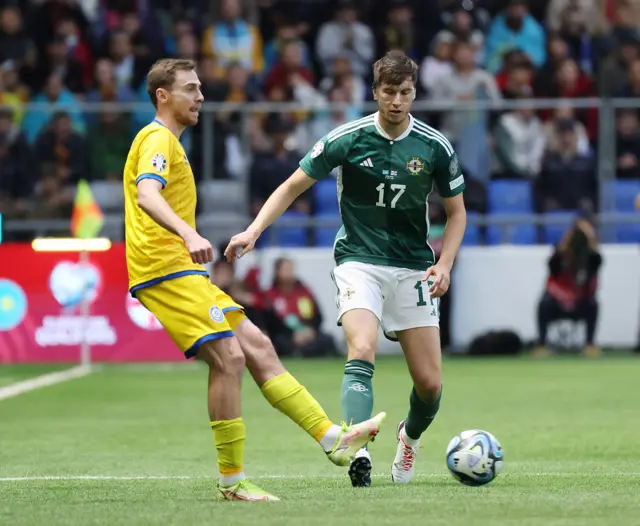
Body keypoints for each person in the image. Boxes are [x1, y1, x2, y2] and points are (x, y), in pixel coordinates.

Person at [123, 59, 385, 502]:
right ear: (162, 96)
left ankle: (332, 440)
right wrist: (188, 232)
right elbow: (147, 193)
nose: (201, 96)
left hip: (182, 270)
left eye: (200, 87)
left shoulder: (169, 141)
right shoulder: (157, 138)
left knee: (257, 347)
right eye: (190, 88)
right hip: (164, 269)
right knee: (229, 358)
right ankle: (232, 482)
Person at [225, 51, 467, 487]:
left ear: (415, 93)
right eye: (389, 92)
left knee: (429, 385)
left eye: (406, 93)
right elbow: (292, 185)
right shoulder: (348, 138)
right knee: (362, 348)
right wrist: (254, 231)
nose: (397, 101)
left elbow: (457, 213)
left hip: (413, 267)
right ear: (375, 92)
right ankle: (358, 451)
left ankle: (408, 439)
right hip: (359, 260)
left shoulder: (435, 146)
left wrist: (445, 264)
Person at [534, 215, 602, 358]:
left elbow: (597, 262)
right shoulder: (560, 255)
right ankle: (541, 344)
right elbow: (551, 266)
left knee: (593, 304)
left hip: (581, 300)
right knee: (544, 303)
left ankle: (590, 344)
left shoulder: (590, 258)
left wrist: (590, 237)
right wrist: (565, 242)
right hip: (558, 301)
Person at [264, 257, 339, 358]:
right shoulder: (270, 295)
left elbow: (318, 315)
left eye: (291, 269)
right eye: (286, 269)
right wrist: (292, 335)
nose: (290, 273)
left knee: (328, 339)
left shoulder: (304, 292)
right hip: (286, 336)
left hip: (307, 333)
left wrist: (311, 330)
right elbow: (271, 323)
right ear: (277, 272)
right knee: (278, 343)